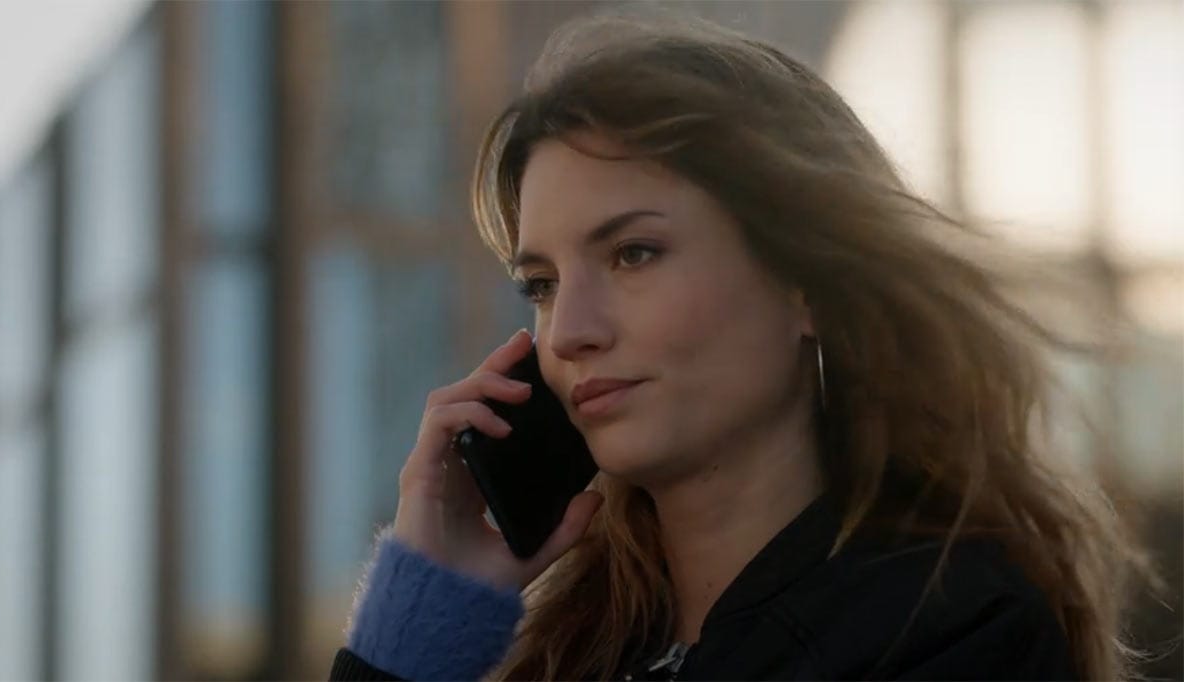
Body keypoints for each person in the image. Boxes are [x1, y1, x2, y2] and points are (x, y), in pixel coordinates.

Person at [329, 12, 1146, 682]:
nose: (570, 330)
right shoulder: (572, 648)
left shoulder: (954, 633)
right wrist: (420, 633)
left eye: (633, 254)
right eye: (539, 285)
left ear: (808, 286)